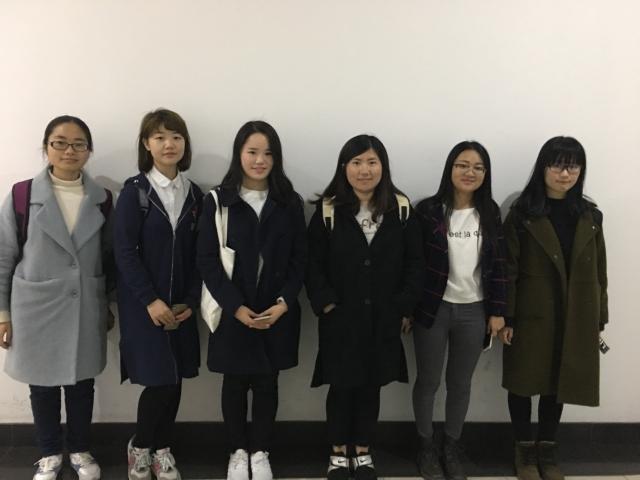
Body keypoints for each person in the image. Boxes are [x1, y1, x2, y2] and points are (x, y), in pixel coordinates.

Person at [0, 115, 113, 480]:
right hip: (36, 306)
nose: (69, 150)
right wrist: (2, 313)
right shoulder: (22, 195)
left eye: (78, 144)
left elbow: (110, 256)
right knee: (42, 385)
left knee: (82, 384)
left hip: (85, 303)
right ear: (46, 147)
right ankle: (49, 452)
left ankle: (79, 449)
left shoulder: (102, 199)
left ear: (89, 151)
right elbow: (4, 256)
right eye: (60, 142)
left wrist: (109, 304)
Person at [305, 134, 423, 480]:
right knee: (341, 386)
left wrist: (403, 306)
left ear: (383, 167)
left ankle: (363, 449)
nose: (364, 170)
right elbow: (312, 264)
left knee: (371, 386)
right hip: (340, 317)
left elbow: (416, 263)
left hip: (384, 317)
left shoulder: (401, 208)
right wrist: (326, 303)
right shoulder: (328, 210)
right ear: (344, 167)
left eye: (372, 162)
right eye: (356, 162)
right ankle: (338, 451)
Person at [197, 120, 306, 480]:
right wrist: (236, 307)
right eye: (253, 152)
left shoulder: (288, 202)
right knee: (234, 383)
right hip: (234, 309)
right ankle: (237, 451)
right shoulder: (218, 201)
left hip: (276, 309)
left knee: (267, 383)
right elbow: (207, 261)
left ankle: (260, 451)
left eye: (268, 153)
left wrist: (284, 302)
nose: (260, 160)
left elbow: (300, 260)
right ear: (239, 154)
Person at [498, 136, 608, 480]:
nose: (565, 173)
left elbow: (600, 271)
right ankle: (523, 451)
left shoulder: (589, 215)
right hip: (531, 312)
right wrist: (507, 316)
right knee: (523, 381)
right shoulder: (522, 213)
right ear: (543, 168)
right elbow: (508, 268)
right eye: (557, 165)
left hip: (576, 312)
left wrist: (599, 317)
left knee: (559, 381)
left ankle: (547, 449)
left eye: (573, 166)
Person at [114, 109, 203, 480]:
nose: (169, 144)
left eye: (176, 137)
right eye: (160, 137)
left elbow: (201, 255)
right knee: (158, 379)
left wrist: (191, 300)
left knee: (175, 377)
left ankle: (162, 449)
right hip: (144, 306)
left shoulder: (195, 194)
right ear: (146, 144)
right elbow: (124, 253)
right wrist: (150, 300)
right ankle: (141, 447)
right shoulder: (134, 192)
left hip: (181, 306)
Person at [412, 141, 506, 480]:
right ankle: (425, 445)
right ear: (450, 169)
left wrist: (498, 311)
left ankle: (451, 445)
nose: (470, 172)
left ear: (485, 174)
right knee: (428, 381)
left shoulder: (490, 212)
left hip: (474, 311)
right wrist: (408, 308)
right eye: (462, 165)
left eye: (478, 167)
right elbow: (414, 262)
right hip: (433, 309)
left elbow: (499, 264)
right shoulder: (428, 210)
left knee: (460, 383)